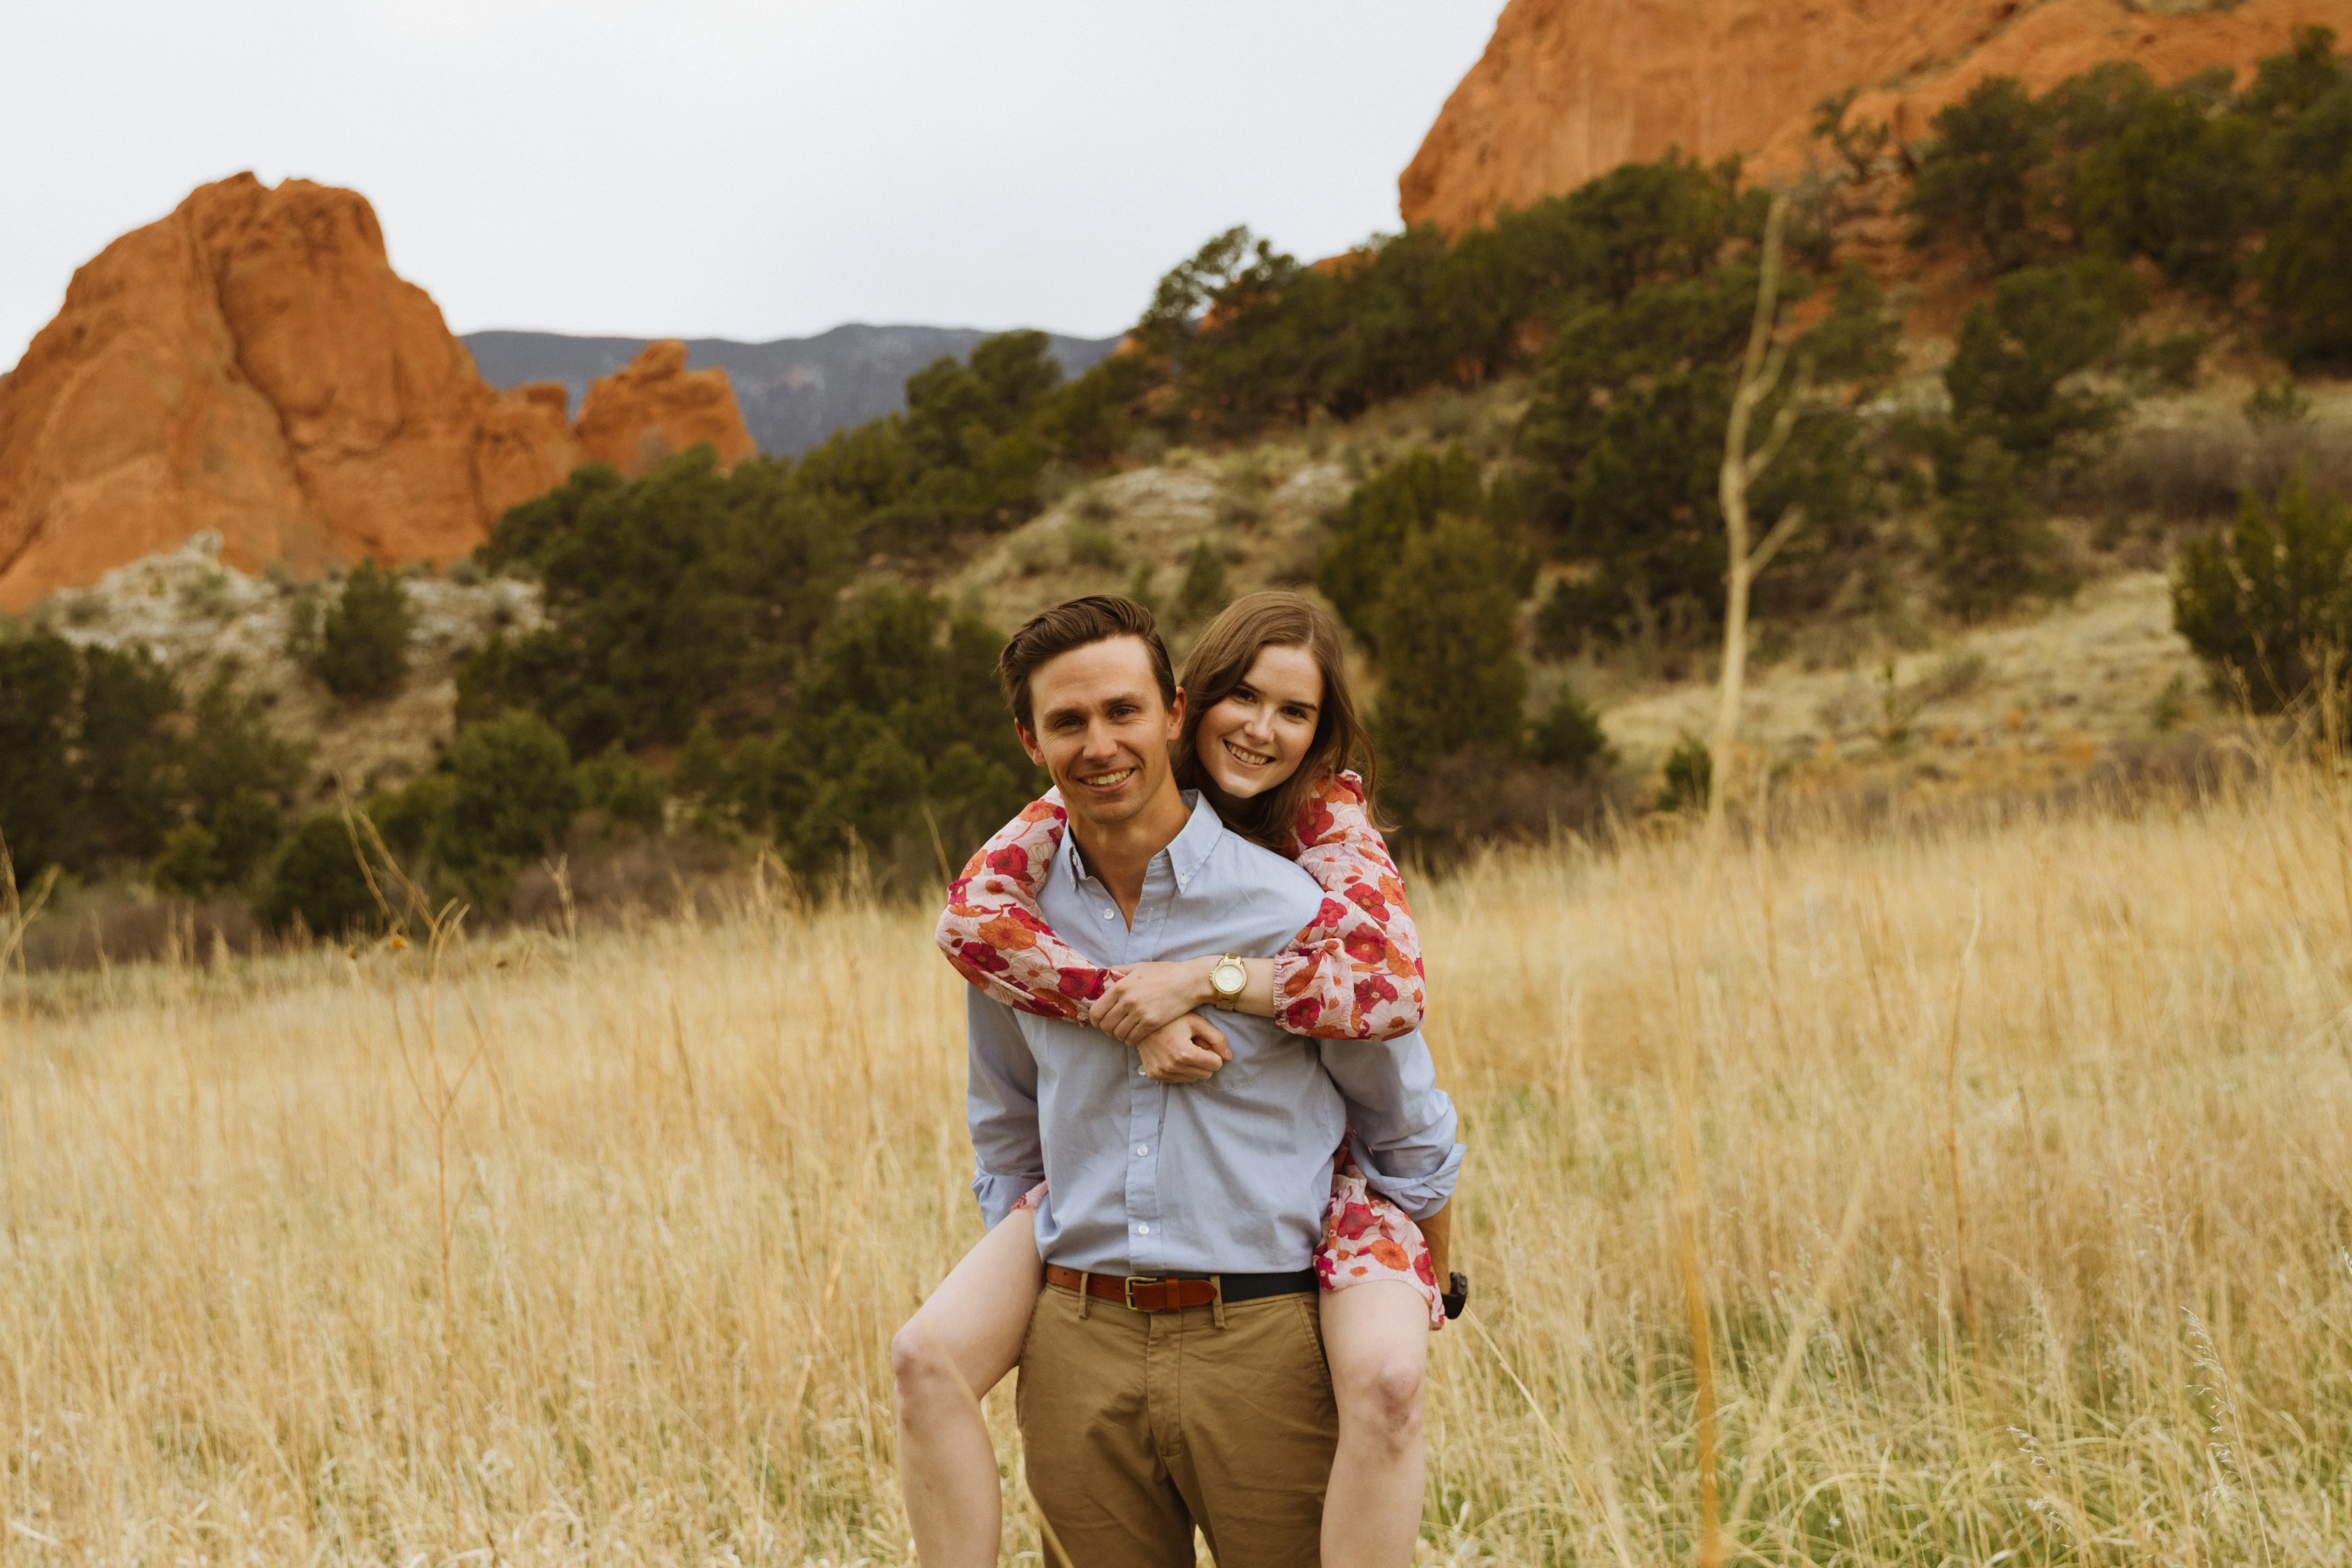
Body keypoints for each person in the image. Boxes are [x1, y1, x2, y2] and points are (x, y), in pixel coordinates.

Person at [892, 594, 1463, 1564]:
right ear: (1031, 741)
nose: (1099, 743)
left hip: (1262, 1339)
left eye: (1123, 712)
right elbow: (1007, 1129)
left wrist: (1432, 1276)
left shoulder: (1301, 907)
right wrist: (1052, 1299)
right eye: (1068, 722)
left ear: (1168, 712)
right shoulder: (1011, 924)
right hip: (1080, 1343)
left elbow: (1405, 1112)